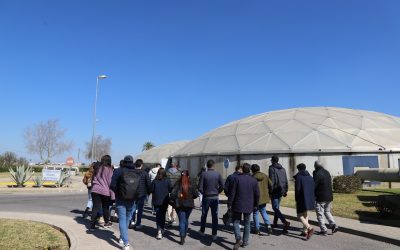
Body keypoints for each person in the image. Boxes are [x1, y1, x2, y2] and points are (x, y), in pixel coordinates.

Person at [111, 155, 141, 250]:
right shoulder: (137, 172)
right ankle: (122, 237)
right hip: (132, 200)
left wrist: (118, 192)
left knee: (122, 220)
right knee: (127, 219)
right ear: (132, 162)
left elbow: (112, 185)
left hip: (120, 199)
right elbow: (139, 187)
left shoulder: (119, 171)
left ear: (124, 161)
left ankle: (126, 242)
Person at [228, 163, 259, 250]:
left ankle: (238, 237)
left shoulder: (237, 178)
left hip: (237, 204)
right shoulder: (253, 180)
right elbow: (257, 194)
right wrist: (256, 204)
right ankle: (245, 241)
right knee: (247, 223)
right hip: (249, 205)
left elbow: (232, 193)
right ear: (249, 170)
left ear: (242, 169)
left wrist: (229, 203)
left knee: (236, 222)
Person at [170, 170, 199, 245]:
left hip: (180, 205)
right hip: (189, 205)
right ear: (188, 176)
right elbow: (195, 194)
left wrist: (179, 197)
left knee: (182, 220)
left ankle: (182, 237)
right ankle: (184, 233)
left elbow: (172, 194)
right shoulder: (191, 183)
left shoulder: (177, 183)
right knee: (186, 219)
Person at [198, 159, 224, 240]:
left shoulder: (203, 174)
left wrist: (204, 193)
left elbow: (200, 187)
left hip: (206, 197)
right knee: (215, 216)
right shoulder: (218, 174)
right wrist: (218, 192)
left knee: (204, 215)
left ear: (207, 165)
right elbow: (223, 185)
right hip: (215, 197)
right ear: (214, 165)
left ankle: (202, 231)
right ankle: (214, 234)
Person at [89, 155, 114, 231]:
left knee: (95, 208)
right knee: (105, 207)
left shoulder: (97, 168)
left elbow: (93, 179)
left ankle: (92, 226)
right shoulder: (109, 170)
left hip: (95, 190)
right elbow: (110, 182)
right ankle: (106, 223)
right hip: (105, 191)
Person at [313, 161, 339, 235]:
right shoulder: (327, 172)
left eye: (314, 165)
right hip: (329, 196)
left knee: (320, 214)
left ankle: (323, 230)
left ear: (316, 166)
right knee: (327, 211)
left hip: (320, 197)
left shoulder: (317, 174)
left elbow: (314, 186)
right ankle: (333, 225)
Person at [268, 155, 290, 233]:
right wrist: (286, 190)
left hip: (275, 190)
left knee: (275, 208)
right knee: (277, 207)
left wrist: (270, 192)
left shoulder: (271, 168)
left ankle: (285, 222)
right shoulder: (283, 169)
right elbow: (286, 179)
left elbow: (271, 181)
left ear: (272, 161)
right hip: (281, 190)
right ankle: (275, 223)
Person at [294, 163, 315, 240]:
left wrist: (296, 199)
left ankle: (309, 228)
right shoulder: (310, 177)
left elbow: (298, 190)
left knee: (299, 215)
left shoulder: (299, 177)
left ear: (299, 169)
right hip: (309, 199)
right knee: (305, 214)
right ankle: (304, 231)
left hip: (301, 199)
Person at [150, 167, 172, 240]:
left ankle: (160, 230)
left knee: (158, 216)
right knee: (162, 215)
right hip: (164, 201)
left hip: (156, 201)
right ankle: (161, 229)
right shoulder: (167, 181)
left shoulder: (155, 181)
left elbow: (151, 190)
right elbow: (171, 189)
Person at [251, 164, 272, 235]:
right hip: (264, 197)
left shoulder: (252, 178)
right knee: (263, 211)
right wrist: (269, 193)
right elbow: (271, 185)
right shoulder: (265, 176)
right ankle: (268, 226)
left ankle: (257, 229)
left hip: (255, 198)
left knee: (255, 213)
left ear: (252, 170)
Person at [130, 159, 151, 230]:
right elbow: (148, 184)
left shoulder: (131, 172)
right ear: (141, 165)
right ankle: (138, 224)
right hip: (142, 194)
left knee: (132, 208)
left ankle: (132, 221)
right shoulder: (145, 173)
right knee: (140, 209)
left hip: (132, 193)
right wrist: (149, 192)